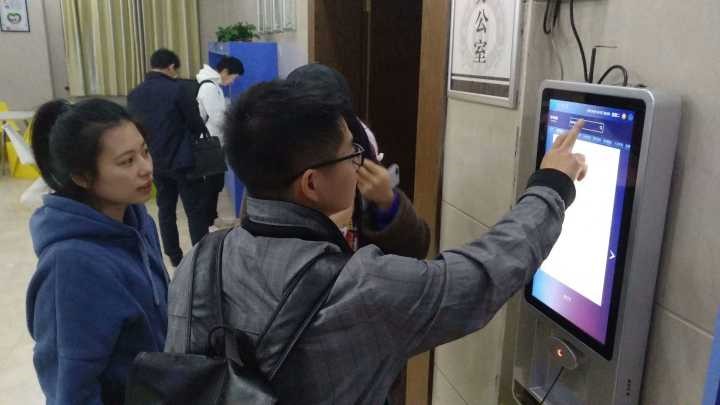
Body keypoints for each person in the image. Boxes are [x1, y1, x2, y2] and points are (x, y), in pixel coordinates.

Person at [165, 80, 587, 404]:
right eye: (351, 155)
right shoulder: (360, 286)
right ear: (311, 184)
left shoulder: (200, 260)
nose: (359, 165)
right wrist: (551, 185)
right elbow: (480, 277)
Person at [26, 99, 169, 404]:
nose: (146, 168)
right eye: (126, 161)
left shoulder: (138, 223)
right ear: (82, 176)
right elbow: (71, 391)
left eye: (145, 152)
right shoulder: (70, 266)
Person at [287, 63, 430, 259]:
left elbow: (415, 249)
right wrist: (325, 231)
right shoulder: (271, 182)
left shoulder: (361, 161)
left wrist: (388, 203)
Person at [127, 48, 209, 266]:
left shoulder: (135, 94)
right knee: (194, 210)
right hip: (183, 160)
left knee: (165, 209)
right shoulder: (179, 89)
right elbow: (195, 123)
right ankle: (201, 256)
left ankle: (174, 255)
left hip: (154, 161)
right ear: (171, 67)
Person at [195, 56, 244, 228]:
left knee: (215, 183)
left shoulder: (213, 85)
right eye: (233, 77)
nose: (232, 82)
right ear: (225, 72)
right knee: (212, 184)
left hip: (215, 141)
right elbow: (217, 118)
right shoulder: (209, 87)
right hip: (211, 143)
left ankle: (212, 218)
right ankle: (208, 222)